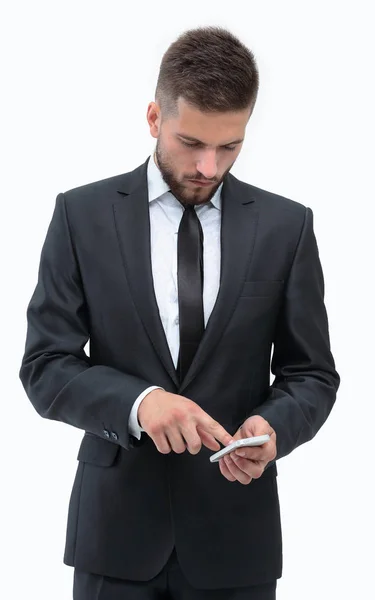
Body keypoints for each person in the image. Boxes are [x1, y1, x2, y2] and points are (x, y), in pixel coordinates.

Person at [19, 25, 340, 600]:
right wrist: (140, 405)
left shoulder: (287, 227)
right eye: (192, 143)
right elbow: (46, 366)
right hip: (114, 536)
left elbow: (311, 374)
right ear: (153, 118)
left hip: (236, 539)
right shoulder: (80, 215)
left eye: (230, 145)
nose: (210, 167)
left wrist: (274, 429)